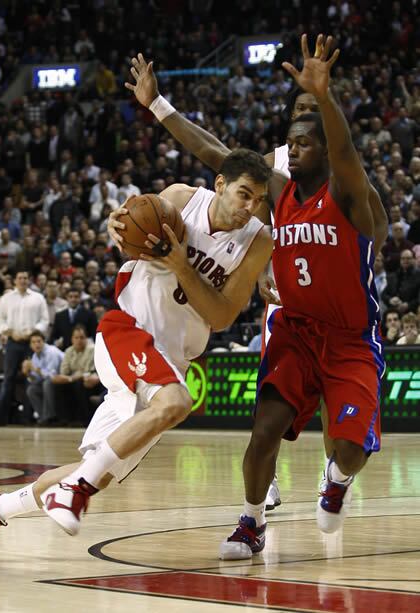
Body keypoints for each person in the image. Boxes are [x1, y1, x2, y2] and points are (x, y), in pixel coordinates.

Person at [0, 148, 273, 563]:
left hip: (172, 359)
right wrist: (117, 225)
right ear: (221, 185)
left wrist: (181, 266)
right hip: (128, 331)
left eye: (259, 199)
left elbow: (223, 316)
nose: (251, 207)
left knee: (97, 468)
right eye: (244, 194)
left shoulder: (259, 240)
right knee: (177, 403)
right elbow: (126, 230)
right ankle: (75, 490)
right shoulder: (179, 199)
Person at [124, 49, 388, 507]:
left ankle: (337, 475)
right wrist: (158, 105)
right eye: (300, 112)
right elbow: (219, 161)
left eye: (315, 110)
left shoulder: (345, 176)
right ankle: (260, 497)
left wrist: (337, 264)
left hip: (342, 318)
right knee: (267, 419)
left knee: (338, 416)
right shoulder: (276, 172)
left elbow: (372, 232)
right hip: (289, 309)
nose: (306, 119)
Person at [0, 270, 49, 426]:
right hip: (12, 341)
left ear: (29, 280)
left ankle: (27, 418)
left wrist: (32, 331)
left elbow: (45, 320)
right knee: (8, 378)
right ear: (15, 280)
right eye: (20, 278)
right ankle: (0, 418)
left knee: (29, 379)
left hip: (31, 342)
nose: (23, 280)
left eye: (25, 277)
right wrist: (9, 331)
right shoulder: (6, 298)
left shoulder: (38, 298)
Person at [52, 324, 101, 425]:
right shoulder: (68, 351)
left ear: (86, 338)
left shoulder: (92, 349)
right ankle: (64, 419)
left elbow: (88, 372)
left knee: (80, 384)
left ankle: (82, 419)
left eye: (82, 337)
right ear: (72, 339)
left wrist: (73, 376)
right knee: (58, 385)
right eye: (76, 337)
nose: (79, 340)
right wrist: (72, 377)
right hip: (73, 379)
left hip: (92, 381)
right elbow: (64, 371)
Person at [23, 330, 63, 426]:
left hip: (63, 379)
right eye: (33, 342)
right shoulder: (34, 356)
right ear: (30, 345)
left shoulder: (51, 352)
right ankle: (43, 418)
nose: (37, 344)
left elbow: (51, 375)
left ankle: (50, 417)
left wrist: (34, 369)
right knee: (31, 389)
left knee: (47, 383)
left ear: (44, 342)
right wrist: (28, 374)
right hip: (50, 381)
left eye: (39, 341)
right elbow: (37, 379)